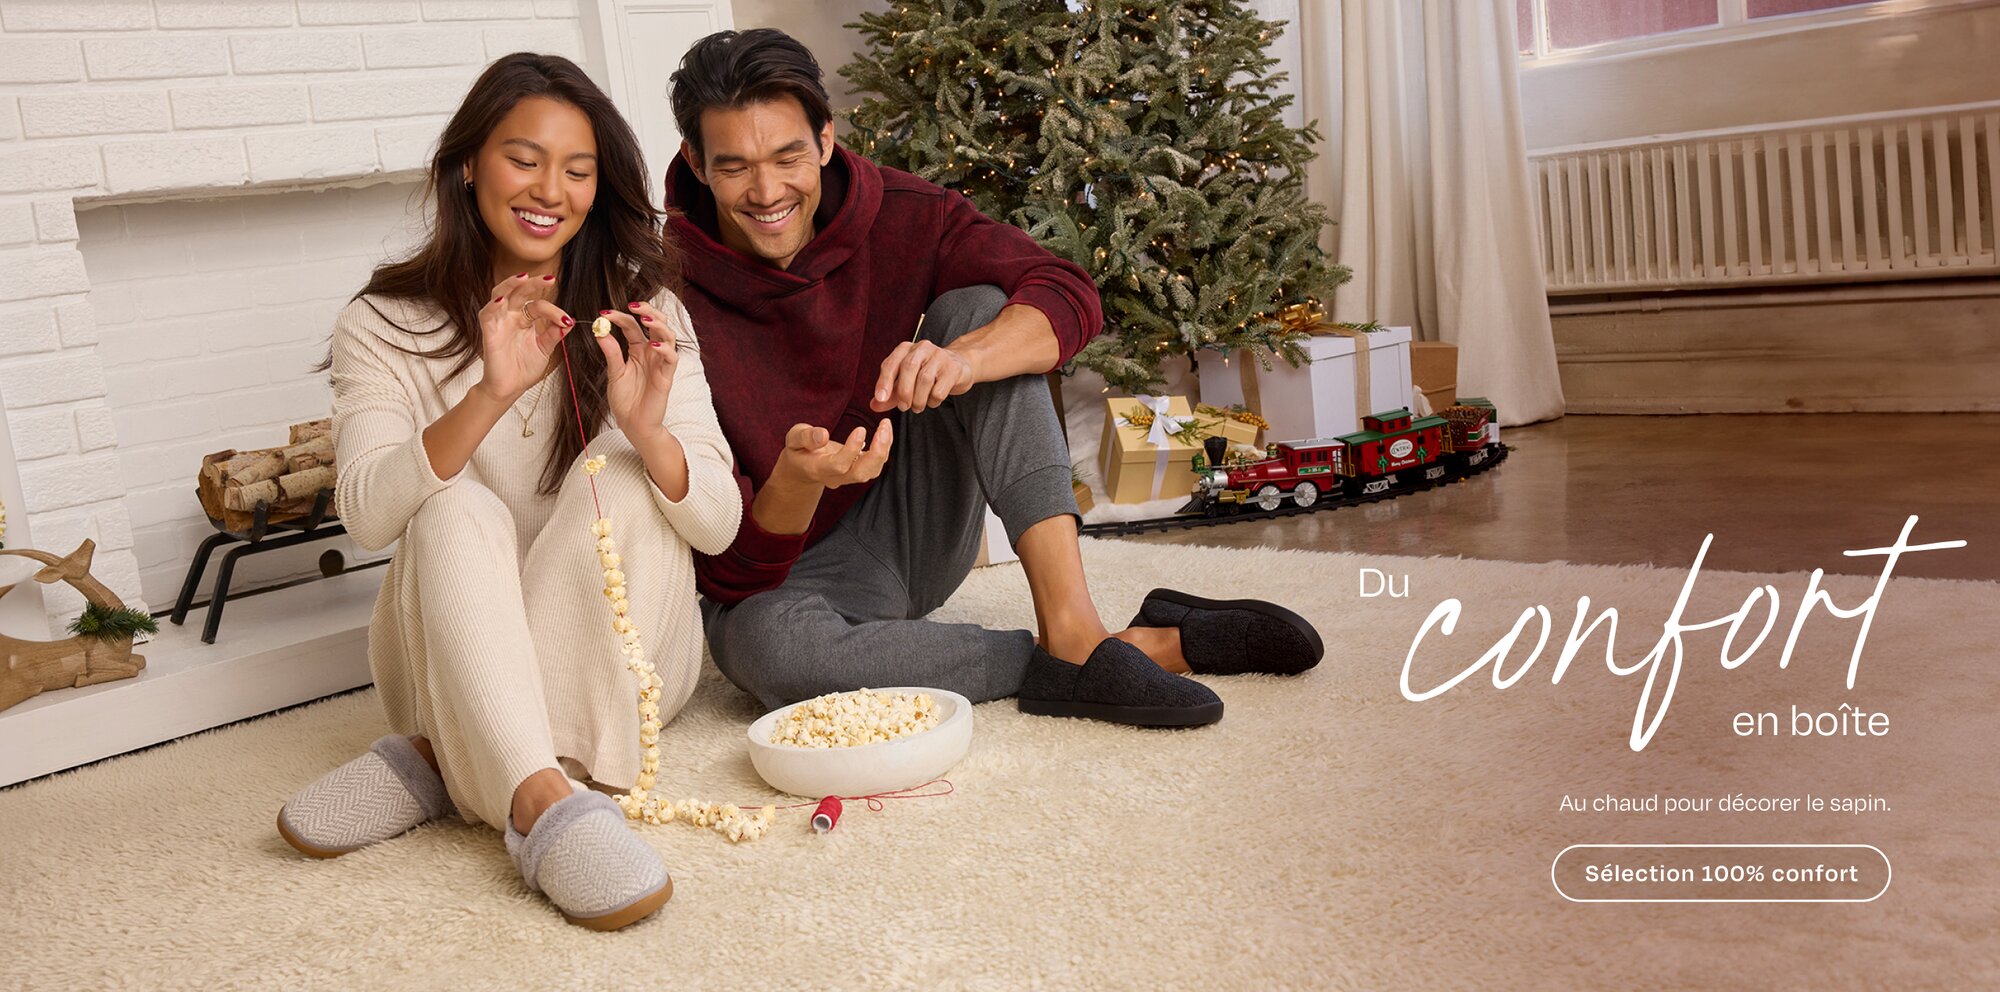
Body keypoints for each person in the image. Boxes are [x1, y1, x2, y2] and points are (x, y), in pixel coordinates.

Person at [665, 30, 1323, 728]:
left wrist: (965, 359)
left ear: (826, 140)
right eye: (735, 167)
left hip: (913, 522)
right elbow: (723, 572)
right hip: (784, 576)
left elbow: (1069, 292)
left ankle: (1072, 623)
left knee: (982, 312)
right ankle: (1114, 651)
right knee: (766, 653)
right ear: (696, 165)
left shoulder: (904, 211)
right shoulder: (661, 286)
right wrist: (795, 482)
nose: (767, 191)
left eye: (788, 156)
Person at [275, 53, 741, 932]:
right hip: (444, 652)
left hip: (627, 664)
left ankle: (441, 761)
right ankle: (540, 797)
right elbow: (371, 513)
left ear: (599, 188)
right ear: (468, 166)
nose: (549, 190)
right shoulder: (383, 321)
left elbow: (717, 524)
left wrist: (646, 428)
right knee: (450, 502)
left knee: (619, 467)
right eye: (523, 159)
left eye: (577, 169)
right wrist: (487, 393)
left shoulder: (645, 312)